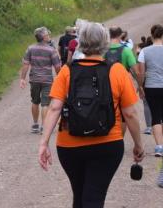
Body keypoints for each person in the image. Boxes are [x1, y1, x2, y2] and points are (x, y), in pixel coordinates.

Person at [39, 22, 144, 208]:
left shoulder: (67, 71)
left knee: (80, 196)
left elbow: (55, 108)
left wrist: (44, 143)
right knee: (94, 197)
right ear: (104, 43)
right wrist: (138, 144)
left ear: (80, 42)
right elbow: (130, 113)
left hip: (69, 145)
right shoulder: (117, 70)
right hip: (107, 145)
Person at [20, 27, 61, 134]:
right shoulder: (51, 50)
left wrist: (22, 78)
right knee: (45, 103)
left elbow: (25, 64)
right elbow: (57, 66)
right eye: (47, 34)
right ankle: (44, 126)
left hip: (34, 79)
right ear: (43, 37)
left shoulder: (30, 48)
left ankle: (35, 124)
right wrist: (59, 77)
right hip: (47, 80)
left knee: (34, 101)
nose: (49, 36)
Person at [137, 24, 163, 158]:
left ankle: (159, 147)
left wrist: (140, 86)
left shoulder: (144, 51)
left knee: (156, 117)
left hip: (152, 87)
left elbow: (141, 73)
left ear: (152, 36)